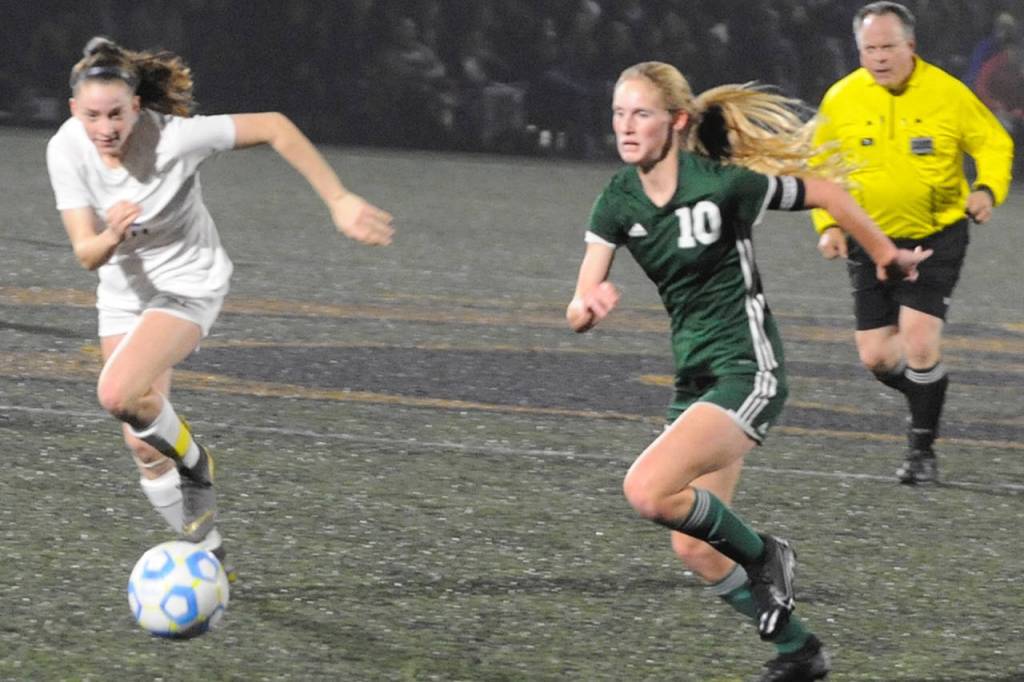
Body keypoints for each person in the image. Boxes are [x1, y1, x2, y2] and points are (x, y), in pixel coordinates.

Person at [565, 61, 928, 681]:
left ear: (677, 123)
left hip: (749, 370)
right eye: (619, 113)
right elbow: (577, 304)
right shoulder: (617, 198)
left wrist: (885, 255)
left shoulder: (726, 185)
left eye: (642, 114)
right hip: (697, 381)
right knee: (693, 546)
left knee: (646, 490)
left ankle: (767, 559)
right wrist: (587, 308)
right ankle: (801, 653)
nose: (627, 126)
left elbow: (828, 192)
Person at [45, 37, 394, 578]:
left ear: (137, 106)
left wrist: (339, 198)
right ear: (74, 112)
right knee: (142, 447)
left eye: (116, 113)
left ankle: (197, 465)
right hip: (122, 296)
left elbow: (275, 125)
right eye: (92, 115)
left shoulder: (178, 139)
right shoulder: (65, 149)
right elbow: (86, 254)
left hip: (189, 286)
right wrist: (112, 233)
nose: (105, 128)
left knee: (115, 393)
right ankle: (210, 553)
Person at [811, 2, 1013, 484]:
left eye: (888, 47)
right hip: (868, 238)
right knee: (876, 356)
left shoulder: (947, 93)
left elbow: (992, 143)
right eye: (869, 49)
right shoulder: (841, 99)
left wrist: (986, 189)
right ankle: (929, 391)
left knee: (920, 342)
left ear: (911, 47)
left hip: (935, 236)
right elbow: (819, 165)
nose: (879, 57)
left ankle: (921, 450)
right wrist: (829, 224)